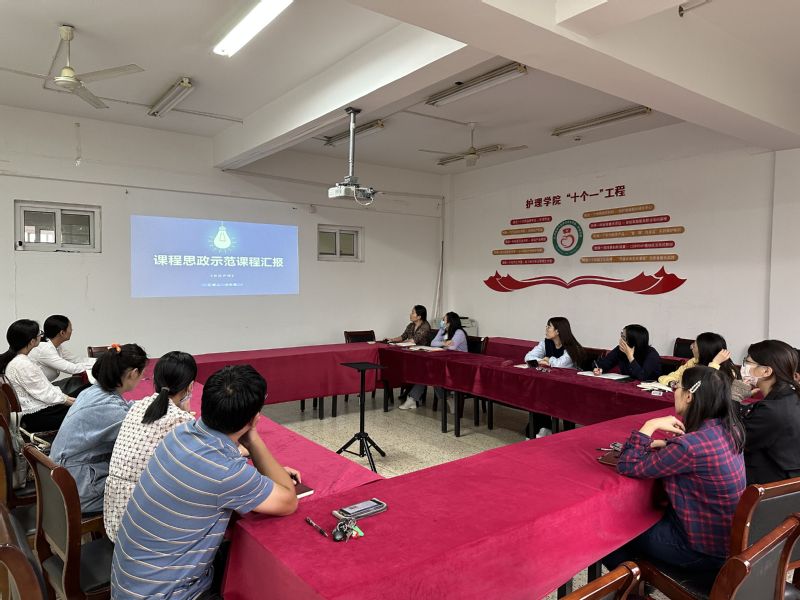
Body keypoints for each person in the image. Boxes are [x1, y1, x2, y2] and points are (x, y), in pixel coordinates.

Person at [111, 365, 300, 600]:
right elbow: (288, 501)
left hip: (131, 584)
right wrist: (252, 438)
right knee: (265, 579)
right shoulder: (225, 472)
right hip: (168, 594)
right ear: (254, 418)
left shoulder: (179, 434)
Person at [604, 366, 746, 574]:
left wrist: (649, 426)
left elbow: (628, 465)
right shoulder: (731, 429)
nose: (674, 391)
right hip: (726, 540)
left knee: (606, 530)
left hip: (699, 551)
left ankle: (634, 583)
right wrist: (668, 444)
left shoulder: (689, 447)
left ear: (689, 396)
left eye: (676, 386)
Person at [103, 351, 197, 543]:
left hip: (114, 514)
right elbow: (199, 461)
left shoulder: (138, 406)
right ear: (190, 386)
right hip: (142, 526)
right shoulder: (179, 419)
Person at [49, 343, 147, 513]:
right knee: (150, 490)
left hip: (62, 479)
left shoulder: (93, 391)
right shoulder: (110, 409)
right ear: (133, 373)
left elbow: (126, 408)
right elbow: (143, 435)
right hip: (77, 489)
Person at [739, 339, 800, 485]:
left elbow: (735, 439)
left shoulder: (772, 410)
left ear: (766, 371)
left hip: (769, 485)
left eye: (748, 362)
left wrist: (734, 397)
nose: (744, 366)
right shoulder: (791, 396)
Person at [0, 319, 74, 432]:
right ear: (32, 341)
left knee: (84, 394)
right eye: (39, 333)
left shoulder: (17, 359)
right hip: (38, 417)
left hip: (38, 411)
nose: (42, 335)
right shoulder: (22, 364)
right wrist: (72, 402)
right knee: (86, 405)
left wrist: (68, 399)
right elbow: (45, 394)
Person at [524, 317, 586, 438]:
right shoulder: (546, 342)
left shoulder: (571, 347)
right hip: (551, 384)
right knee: (537, 391)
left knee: (542, 392)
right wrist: (543, 361)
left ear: (557, 331)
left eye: (549, 327)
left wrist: (548, 359)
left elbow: (560, 364)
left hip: (570, 388)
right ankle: (543, 428)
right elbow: (528, 357)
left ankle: (542, 429)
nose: (546, 329)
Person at [400, 311, 467, 413]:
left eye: (444, 320)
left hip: (459, 366)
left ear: (450, 322)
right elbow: (433, 343)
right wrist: (444, 343)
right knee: (429, 372)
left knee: (432, 373)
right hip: (445, 362)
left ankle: (413, 399)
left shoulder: (459, 333)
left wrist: (444, 344)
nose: (442, 322)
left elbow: (452, 347)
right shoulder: (443, 330)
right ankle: (414, 399)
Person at [659, 332, 750, 403]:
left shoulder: (728, 371)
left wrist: (714, 364)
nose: (691, 347)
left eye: (694, 345)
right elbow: (663, 378)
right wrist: (672, 383)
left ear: (703, 351)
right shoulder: (693, 362)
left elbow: (702, 390)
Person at [29, 315, 93, 383]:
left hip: (45, 386)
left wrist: (99, 361)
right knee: (80, 382)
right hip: (37, 388)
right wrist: (98, 364)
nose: (72, 330)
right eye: (70, 328)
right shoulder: (45, 348)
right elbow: (71, 368)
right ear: (62, 333)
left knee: (78, 381)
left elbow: (76, 360)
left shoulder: (57, 346)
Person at [593, 324, 661, 381]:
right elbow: (602, 364)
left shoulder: (651, 354)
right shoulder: (620, 350)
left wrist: (630, 356)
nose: (620, 340)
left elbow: (642, 377)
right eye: (621, 336)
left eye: (623, 337)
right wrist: (599, 368)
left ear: (633, 341)